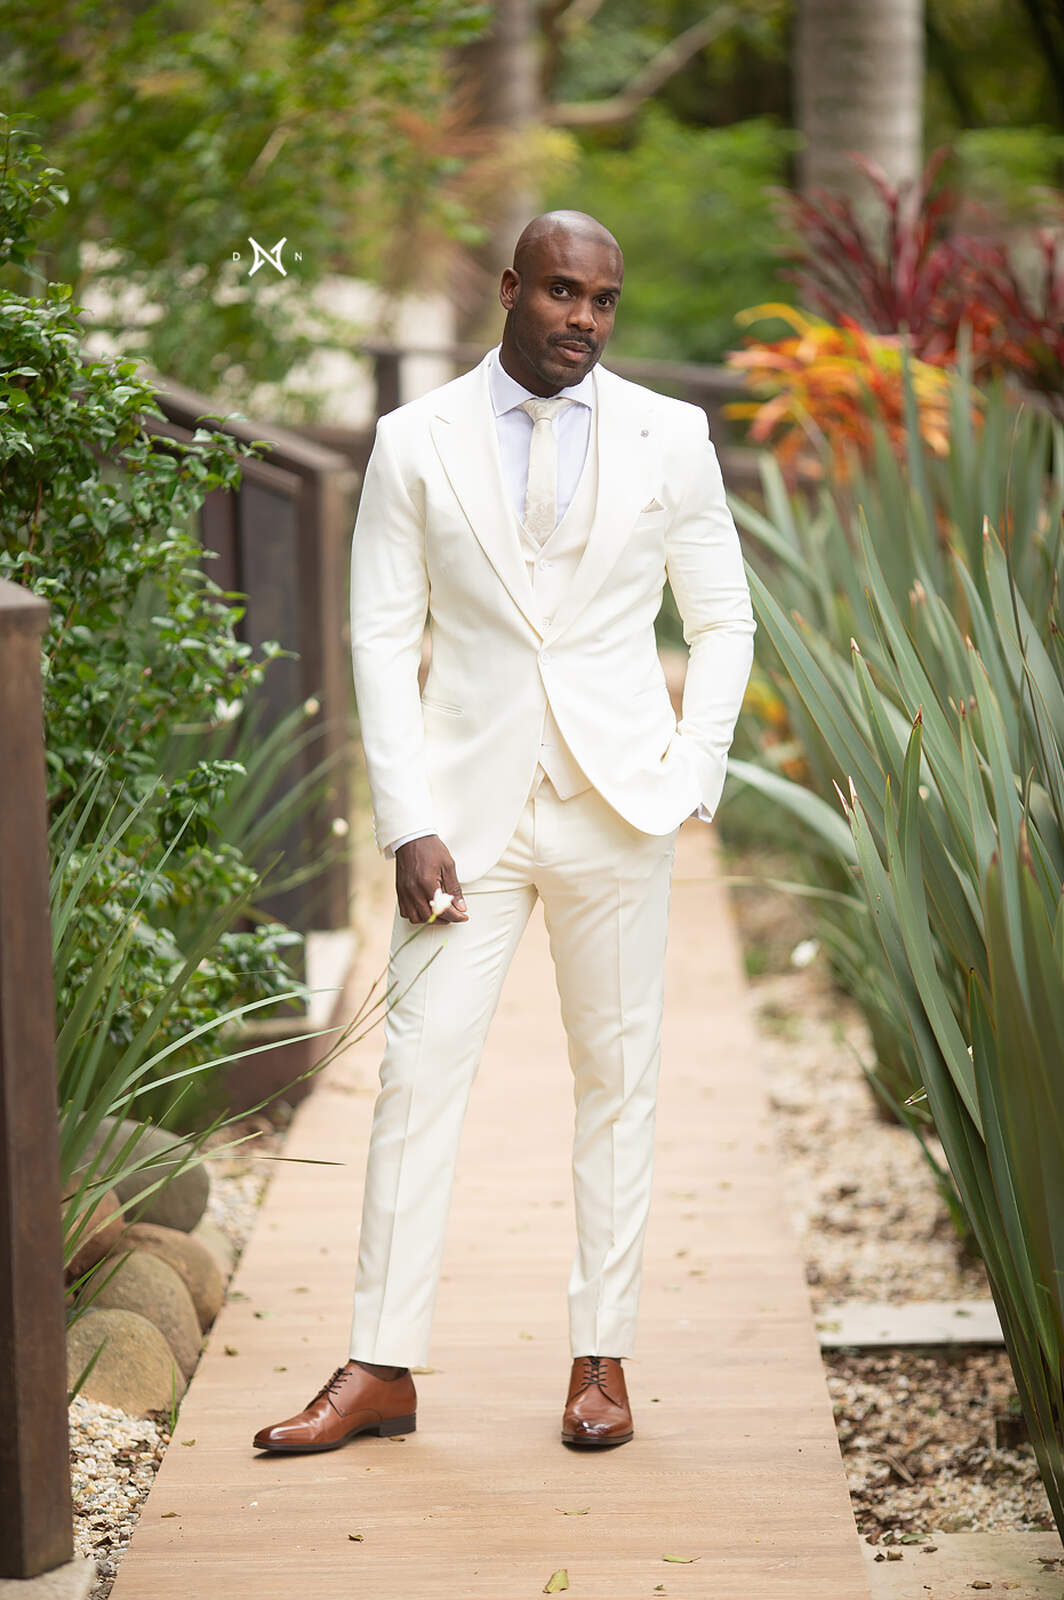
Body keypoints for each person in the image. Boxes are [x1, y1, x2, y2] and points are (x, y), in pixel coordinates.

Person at [253, 209, 754, 1456]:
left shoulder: (671, 435)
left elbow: (723, 618)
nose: (584, 319)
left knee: (617, 1082)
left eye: (604, 301)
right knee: (417, 1080)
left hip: (617, 804)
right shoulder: (411, 441)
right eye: (562, 293)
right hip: (462, 826)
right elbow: (377, 630)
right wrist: (407, 818)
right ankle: (381, 1365)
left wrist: (694, 771)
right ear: (509, 288)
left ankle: (601, 1357)